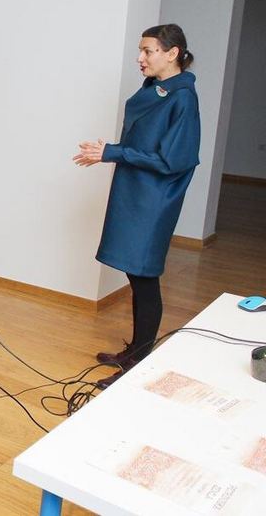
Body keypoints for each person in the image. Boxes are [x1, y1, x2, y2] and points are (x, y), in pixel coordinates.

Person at [74, 24, 200, 389]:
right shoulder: (154, 88)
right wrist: (110, 153)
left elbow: (173, 159)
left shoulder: (183, 98)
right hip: (135, 191)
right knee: (135, 274)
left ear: (172, 53)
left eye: (148, 51)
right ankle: (135, 350)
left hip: (153, 199)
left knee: (145, 278)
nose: (140, 58)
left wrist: (112, 152)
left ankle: (140, 361)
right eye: (140, 50)